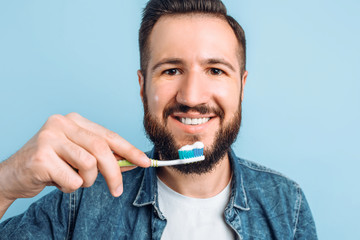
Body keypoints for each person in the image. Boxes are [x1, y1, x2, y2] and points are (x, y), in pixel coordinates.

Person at [0, 0, 317, 239]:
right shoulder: (78, 203)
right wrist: (6, 183)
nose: (191, 97)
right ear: (142, 87)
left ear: (242, 87)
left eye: (216, 70)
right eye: (172, 71)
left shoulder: (288, 206)